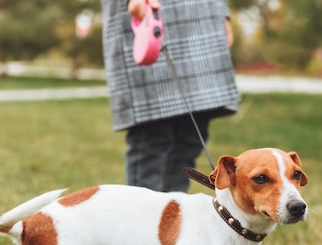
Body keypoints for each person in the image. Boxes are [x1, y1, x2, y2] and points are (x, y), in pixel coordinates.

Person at [101, 0, 240, 192]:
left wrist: (222, 11)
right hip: (149, 14)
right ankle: (144, 218)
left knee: (190, 136)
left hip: (203, 15)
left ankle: (171, 218)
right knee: (153, 135)